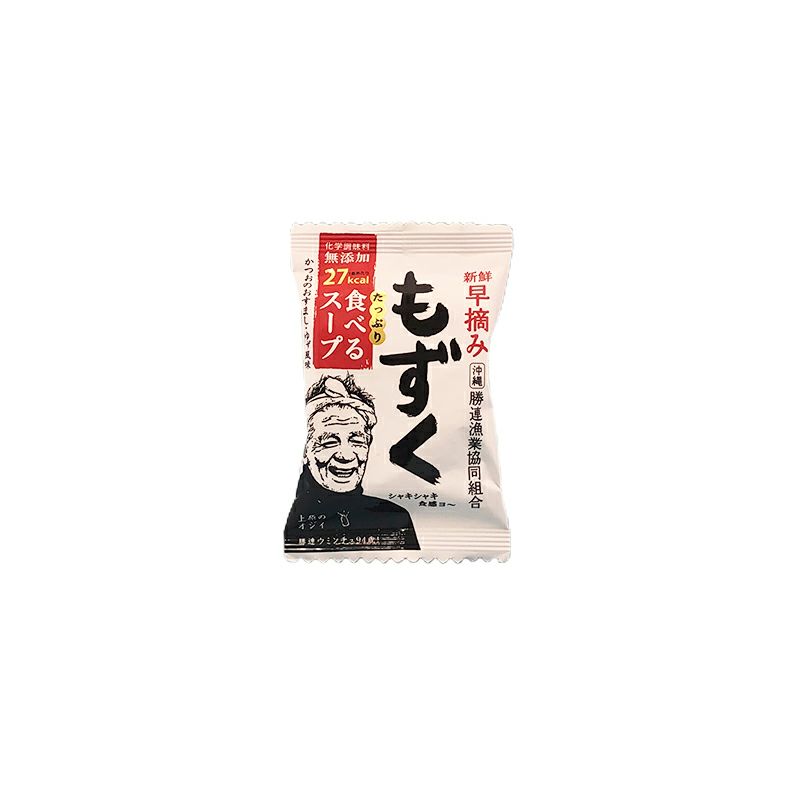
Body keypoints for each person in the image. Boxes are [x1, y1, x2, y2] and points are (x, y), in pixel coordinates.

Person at [284, 375, 419, 553]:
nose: (346, 456)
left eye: (357, 441)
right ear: (304, 451)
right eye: (329, 442)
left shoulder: (395, 519)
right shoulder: (296, 517)